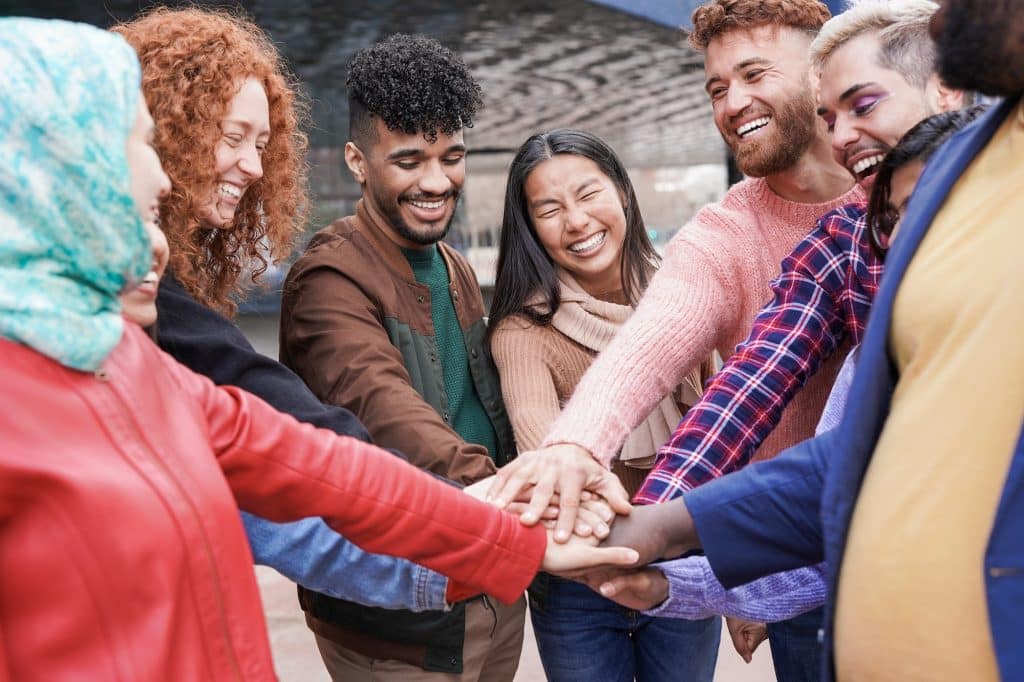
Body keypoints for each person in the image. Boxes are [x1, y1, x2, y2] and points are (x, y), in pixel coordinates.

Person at [0, 18, 637, 681]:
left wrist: (511, 537)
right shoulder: (324, 277)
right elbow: (352, 430)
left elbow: (313, 473)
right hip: (403, 631)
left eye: (452, 157)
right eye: (140, 142)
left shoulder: (136, 367)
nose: (161, 182)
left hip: (458, 581)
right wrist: (508, 513)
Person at [594, 0, 1024, 678]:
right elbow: (783, 416)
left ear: (944, 90)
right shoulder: (848, 239)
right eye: (831, 116)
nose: (843, 135)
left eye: (863, 104)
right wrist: (650, 525)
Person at [489, 0, 864, 676]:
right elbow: (674, 363)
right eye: (716, 87)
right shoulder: (725, 236)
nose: (732, 102)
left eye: (753, 74)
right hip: (796, 555)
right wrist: (576, 448)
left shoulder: (899, 200)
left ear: (822, 73)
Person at [279, 34, 626, 681]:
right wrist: (523, 507)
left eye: (452, 156)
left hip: (490, 583)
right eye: (409, 160)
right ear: (357, 160)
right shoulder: (328, 278)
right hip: (395, 616)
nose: (437, 181)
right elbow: (388, 417)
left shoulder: (456, 266)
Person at [112, 6, 461, 615]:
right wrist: (467, 513)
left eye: (263, 144)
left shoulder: (155, 283)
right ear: (167, 130)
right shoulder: (146, 292)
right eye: (231, 137)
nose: (252, 164)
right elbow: (273, 408)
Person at [595, 103, 987, 622]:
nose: (890, 237)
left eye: (919, 205)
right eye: (889, 217)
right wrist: (668, 584)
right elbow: (829, 537)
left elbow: (839, 475)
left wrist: (662, 526)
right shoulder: (876, 353)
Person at [488, 128, 720, 681]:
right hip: (578, 587)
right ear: (530, 229)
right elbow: (543, 456)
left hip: (682, 565)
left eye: (588, 193)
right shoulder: (524, 331)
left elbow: (721, 430)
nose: (576, 221)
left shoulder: (684, 296)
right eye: (549, 208)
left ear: (622, 192)